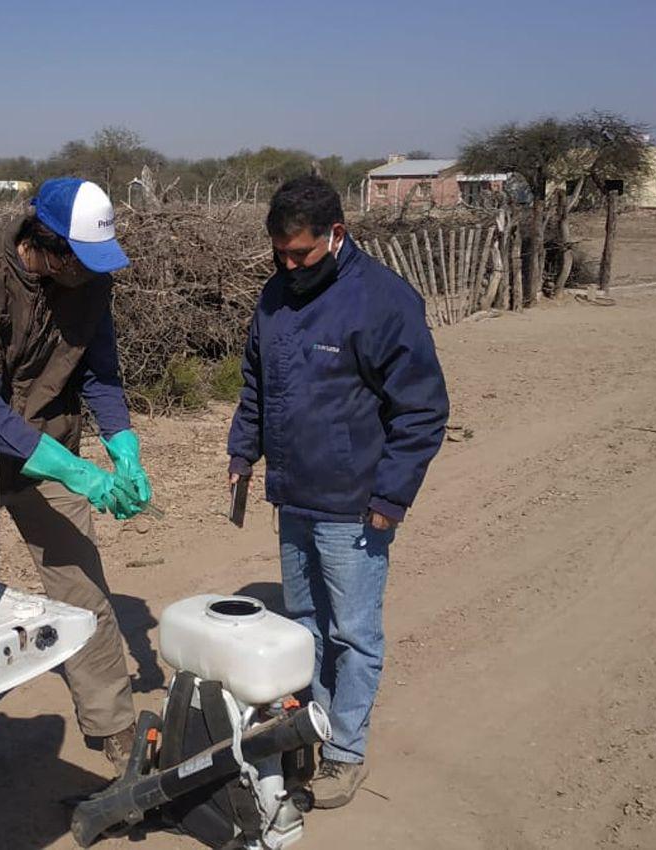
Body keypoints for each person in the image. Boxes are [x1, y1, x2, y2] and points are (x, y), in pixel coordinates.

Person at [226, 175, 449, 808]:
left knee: (352, 633)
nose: (291, 266)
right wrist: (243, 451)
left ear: (337, 235)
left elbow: (423, 411)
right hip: (293, 495)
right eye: (281, 253)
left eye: (303, 254)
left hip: (354, 504)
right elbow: (257, 384)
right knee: (304, 627)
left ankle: (345, 752)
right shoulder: (273, 297)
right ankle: (308, 731)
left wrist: (390, 498)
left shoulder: (383, 301)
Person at [0, 176, 153, 772]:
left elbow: (100, 373)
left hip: (51, 445)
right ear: (45, 244)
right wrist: (80, 473)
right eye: (79, 260)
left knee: (84, 593)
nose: (89, 273)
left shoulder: (90, 283)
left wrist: (123, 447)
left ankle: (115, 728)